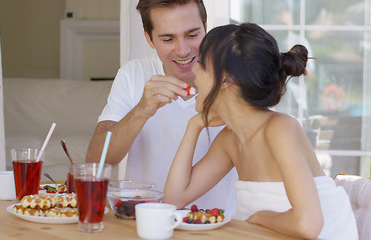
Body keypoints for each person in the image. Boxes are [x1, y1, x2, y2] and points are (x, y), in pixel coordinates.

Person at [163, 23, 358, 239]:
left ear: (226, 77)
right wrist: (194, 126)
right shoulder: (229, 140)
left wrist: (259, 217)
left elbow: (308, 225)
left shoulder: (280, 128)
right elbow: (173, 199)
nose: (194, 70)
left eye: (201, 64)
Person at [86, 0, 238, 214]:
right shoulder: (132, 74)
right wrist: (140, 111)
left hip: (219, 225)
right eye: (168, 39)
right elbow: (96, 161)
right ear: (149, 38)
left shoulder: (234, 78)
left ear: (206, 27)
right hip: (143, 222)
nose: (183, 50)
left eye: (192, 35)